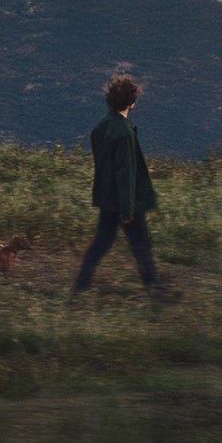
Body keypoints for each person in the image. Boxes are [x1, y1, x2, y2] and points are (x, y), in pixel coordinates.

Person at [75, 74, 164, 296]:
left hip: (106, 198)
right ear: (131, 103)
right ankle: (154, 290)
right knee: (141, 245)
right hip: (126, 202)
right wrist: (127, 210)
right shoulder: (124, 133)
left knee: (101, 243)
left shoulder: (101, 127)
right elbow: (126, 174)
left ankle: (80, 287)